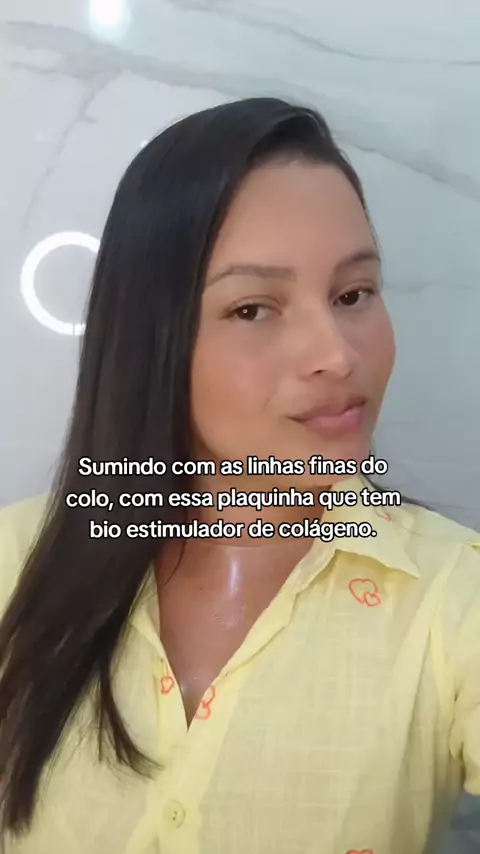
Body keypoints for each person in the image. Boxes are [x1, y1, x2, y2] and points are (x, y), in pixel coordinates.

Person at [0, 97, 479, 854]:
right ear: (153, 339)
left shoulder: (454, 597)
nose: (336, 354)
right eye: (254, 309)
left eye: (353, 295)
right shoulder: (15, 560)